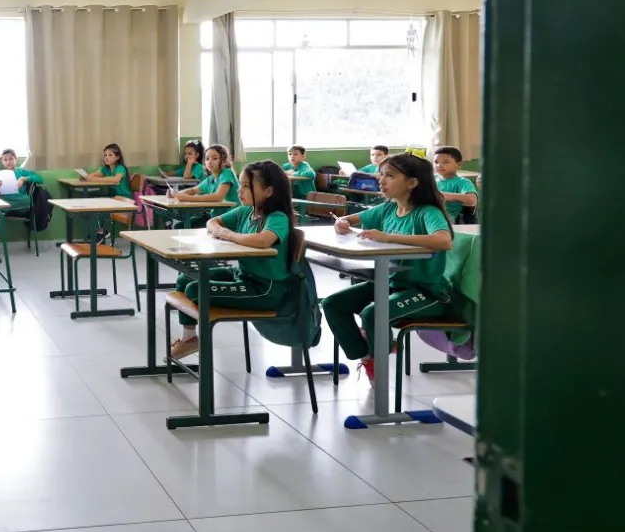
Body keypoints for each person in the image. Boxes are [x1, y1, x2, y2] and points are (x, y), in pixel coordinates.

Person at [322, 153, 454, 379]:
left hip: (428, 292)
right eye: (381, 175)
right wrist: (341, 223)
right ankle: (367, 356)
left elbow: (444, 240)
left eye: (390, 176)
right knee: (333, 304)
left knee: (373, 313)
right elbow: (350, 220)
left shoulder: (426, 212)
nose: (381, 181)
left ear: (412, 183)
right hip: (392, 284)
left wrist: (388, 237)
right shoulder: (387, 208)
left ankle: (379, 356)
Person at [169, 161, 296, 359]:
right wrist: (218, 230)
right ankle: (189, 338)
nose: (239, 191)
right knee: (185, 278)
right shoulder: (246, 211)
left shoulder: (277, 217)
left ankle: (191, 340)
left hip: (265, 289)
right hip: (243, 276)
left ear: (269, 191)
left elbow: (264, 240)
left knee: (195, 289)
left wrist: (228, 235)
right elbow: (213, 221)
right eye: (241, 184)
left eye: (247, 186)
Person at [173, 143, 238, 204]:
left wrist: (188, 198)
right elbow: (193, 190)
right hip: (218, 214)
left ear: (224, 161)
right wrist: (177, 194)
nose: (210, 161)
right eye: (207, 159)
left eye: (214, 158)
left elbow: (218, 197)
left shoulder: (227, 173)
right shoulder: (210, 179)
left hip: (234, 214)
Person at [433, 146, 479, 221]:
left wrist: (442, 195)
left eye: (446, 161)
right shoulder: (432, 181)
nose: (439, 165)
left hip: (458, 221)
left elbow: (472, 200)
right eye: (436, 162)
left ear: (459, 164)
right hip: (437, 219)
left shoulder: (462, 182)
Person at [0, 148, 42, 212]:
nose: (8, 162)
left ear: (16, 160)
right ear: (2, 162)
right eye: (5, 159)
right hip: (4, 201)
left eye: (11, 159)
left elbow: (39, 179)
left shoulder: (21, 171)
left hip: (19, 201)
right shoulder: (0, 174)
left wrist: (23, 179)